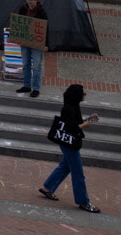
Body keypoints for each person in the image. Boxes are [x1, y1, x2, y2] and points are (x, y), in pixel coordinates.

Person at [39, 83, 103, 213]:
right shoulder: (68, 108)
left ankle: (48, 188)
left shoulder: (73, 106)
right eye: (83, 93)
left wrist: (89, 119)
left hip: (67, 143)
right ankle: (83, 202)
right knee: (78, 173)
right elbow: (71, 127)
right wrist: (84, 126)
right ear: (76, 95)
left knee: (66, 166)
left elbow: (75, 122)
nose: (84, 95)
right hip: (69, 144)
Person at [14, 0, 48, 98]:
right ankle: (27, 85)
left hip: (37, 43)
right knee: (25, 64)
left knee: (37, 66)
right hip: (25, 42)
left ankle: (36, 88)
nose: (29, 2)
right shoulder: (23, 9)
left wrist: (46, 44)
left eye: (32, 0)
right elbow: (18, 23)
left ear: (36, 0)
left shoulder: (41, 12)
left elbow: (46, 28)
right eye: (28, 0)